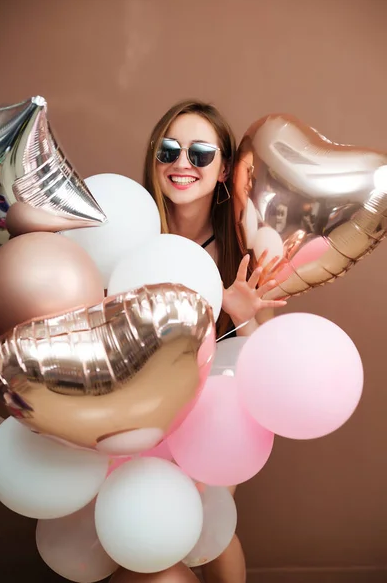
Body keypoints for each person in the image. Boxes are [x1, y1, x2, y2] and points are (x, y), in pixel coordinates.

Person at [112, 100, 287, 583]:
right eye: (168, 150)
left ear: (224, 167)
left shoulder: (247, 240)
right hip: (143, 393)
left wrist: (239, 314)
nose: (182, 163)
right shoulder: (134, 230)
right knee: (147, 517)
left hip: (220, 398)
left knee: (210, 523)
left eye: (200, 153)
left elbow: (266, 361)